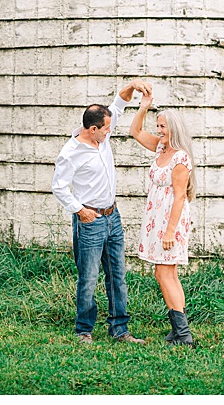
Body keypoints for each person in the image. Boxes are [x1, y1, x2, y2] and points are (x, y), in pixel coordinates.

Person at [51, 81, 151, 345]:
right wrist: (80, 211)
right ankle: (84, 330)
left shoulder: (101, 136)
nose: (110, 132)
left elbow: (118, 104)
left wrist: (132, 86)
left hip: (113, 217)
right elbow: (59, 187)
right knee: (89, 277)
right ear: (92, 129)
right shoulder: (71, 152)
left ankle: (120, 329)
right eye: (106, 130)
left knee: (117, 275)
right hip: (91, 220)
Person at [126, 91, 198, 346]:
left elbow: (179, 197)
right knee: (168, 273)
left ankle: (182, 333)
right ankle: (179, 329)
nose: (158, 130)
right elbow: (135, 131)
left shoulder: (180, 157)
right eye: (157, 126)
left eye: (162, 126)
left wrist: (169, 232)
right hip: (156, 218)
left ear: (174, 129)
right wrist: (143, 107)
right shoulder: (160, 148)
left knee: (163, 273)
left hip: (170, 220)